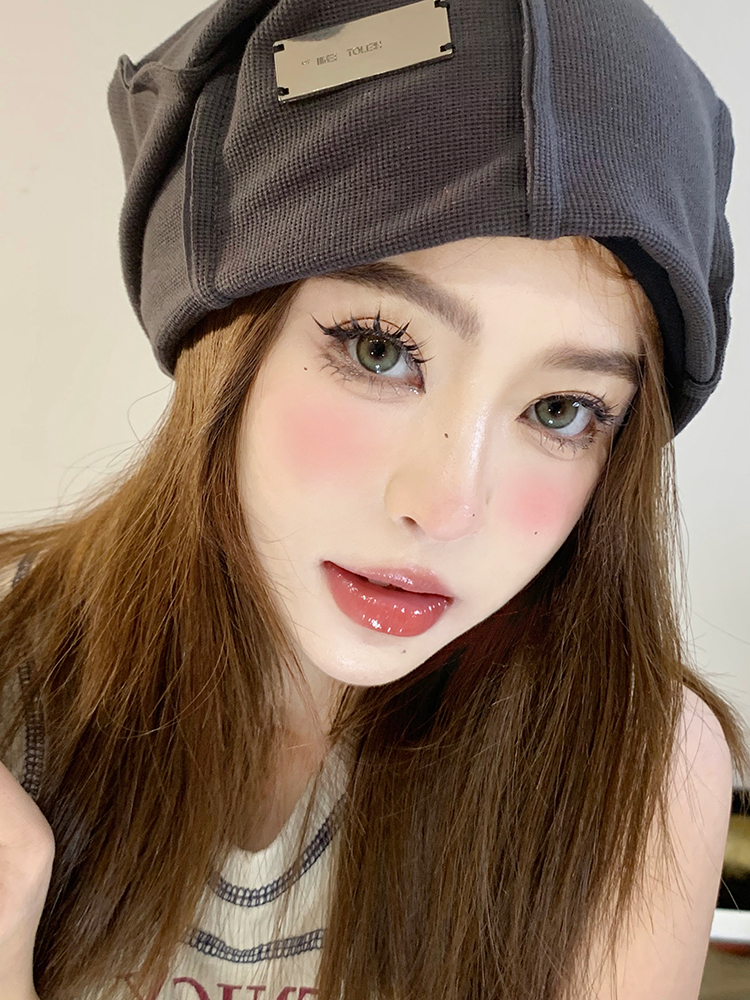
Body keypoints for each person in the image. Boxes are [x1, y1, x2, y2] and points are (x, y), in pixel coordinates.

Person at [0, 1, 747, 998]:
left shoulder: (636, 768)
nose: (445, 507)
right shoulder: (16, 672)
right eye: (380, 350)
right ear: (229, 335)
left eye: (560, 409)